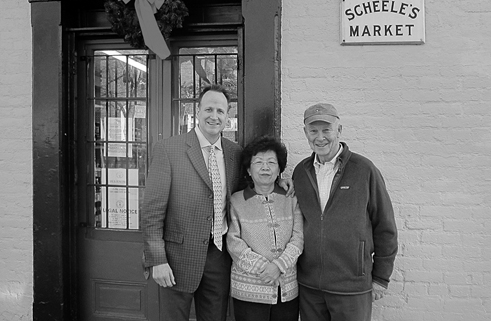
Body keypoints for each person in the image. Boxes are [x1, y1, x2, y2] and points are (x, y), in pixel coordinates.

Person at [141, 84, 293, 321]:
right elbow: (152, 213)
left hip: (219, 257)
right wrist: (157, 260)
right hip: (176, 258)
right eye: (209, 109)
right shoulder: (168, 150)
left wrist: (279, 183)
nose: (214, 116)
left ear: (228, 115)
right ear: (198, 111)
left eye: (220, 111)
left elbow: (250, 185)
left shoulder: (235, 153)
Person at [293, 103, 398, 321]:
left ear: (339, 131)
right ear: (305, 133)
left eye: (326, 130)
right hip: (310, 286)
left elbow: (385, 226)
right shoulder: (300, 172)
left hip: (351, 286)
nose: (320, 137)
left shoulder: (364, 170)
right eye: (313, 131)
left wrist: (380, 277)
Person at [227, 136, 303, 321]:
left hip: (286, 289)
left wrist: (278, 266)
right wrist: (265, 268)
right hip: (248, 290)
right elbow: (233, 243)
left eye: (271, 162)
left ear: (279, 170)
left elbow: (299, 237)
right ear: (248, 169)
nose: (265, 167)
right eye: (258, 162)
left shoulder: (291, 198)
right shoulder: (236, 201)